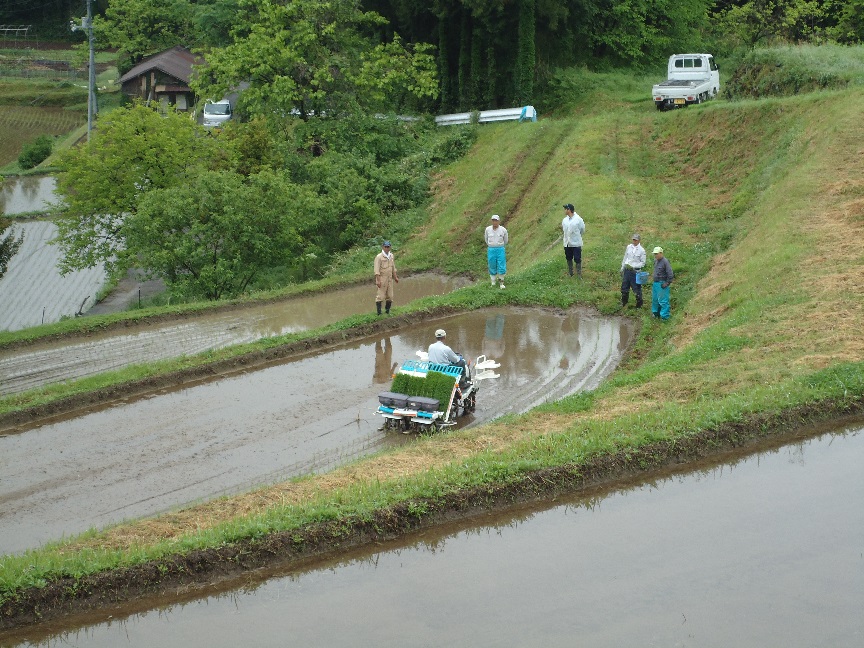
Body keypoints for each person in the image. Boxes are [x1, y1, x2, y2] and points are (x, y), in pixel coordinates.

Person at [620, 233, 647, 309]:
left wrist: (634, 266)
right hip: (627, 270)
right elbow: (625, 257)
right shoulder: (629, 247)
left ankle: (639, 304)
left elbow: (643, 263)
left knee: (636, 288)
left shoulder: (642, 251)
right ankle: (624, 302)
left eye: (635, 240)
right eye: (633, 240)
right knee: (624, 287)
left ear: (638, 241)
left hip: (635, 272)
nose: (634, 241)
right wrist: (622, 267)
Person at [374, 240, 399, 316]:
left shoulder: (391, 256)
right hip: (382, 278)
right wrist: (378, 281)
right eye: (385, 247)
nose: (387, 248)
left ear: (390, 247)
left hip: (389, 279)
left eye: (388, 247)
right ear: (383, 247)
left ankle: (387, 311)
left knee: (390, 296)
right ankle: (379, 313)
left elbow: (393, 268)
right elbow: (376, 270)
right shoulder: (379, 257)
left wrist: (395, 277)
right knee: (380, 296)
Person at [561, 204, 585, 278]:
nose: (564, 210)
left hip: (576, 243)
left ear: (569, 210)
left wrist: (576, 236)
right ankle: (570, 273)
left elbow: (582, 229)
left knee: (577, 258)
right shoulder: (564, 220)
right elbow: (564, 230)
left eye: (565, 209)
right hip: (567, 243)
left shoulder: (578, 219)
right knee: (569, 258)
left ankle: (579, 274)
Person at [484, 214, 508, 289]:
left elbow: (506, 240)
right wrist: (491, 245)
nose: (495, 222)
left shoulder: (503, 230)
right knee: (492, 264)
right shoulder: (488, 229)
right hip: (491, 249)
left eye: (496, 221)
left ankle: (501, 282)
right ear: (491, 221)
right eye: (493, 220)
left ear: (499, 221)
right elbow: (486, 239)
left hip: (500, 249)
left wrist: (500, 245)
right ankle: (493, 282)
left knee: (501, 264)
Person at [651, 246, 674, 320]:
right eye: (655, 254)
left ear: (661, 253)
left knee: (663, 301)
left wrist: (667, 283)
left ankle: (665, 317)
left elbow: (670, 274)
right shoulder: (656, 261)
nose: (655, 255)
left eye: (657, 254)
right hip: (655, 284)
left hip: (662, 284)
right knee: (655, 300)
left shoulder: (665, 262)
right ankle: (656, 314)